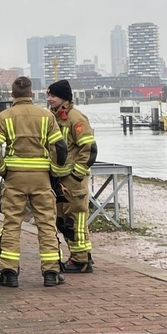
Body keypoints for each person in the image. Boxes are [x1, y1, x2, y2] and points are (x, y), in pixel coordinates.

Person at [0, 77, 68, 287]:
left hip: (15, 177)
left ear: (12, 95)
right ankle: (51, 273)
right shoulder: (46, 116)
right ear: (32, 94)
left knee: (12, 224)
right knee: (47, 223)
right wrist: (55, 172)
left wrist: (3, 171)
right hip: (41, 177)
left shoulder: (4, 117)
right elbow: (60, 148)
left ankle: (8, 272)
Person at [47, 79, 98, 273]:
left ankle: (81, 260)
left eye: (53, 96)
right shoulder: (55, 118)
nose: (50, 99)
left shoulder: (75, 118)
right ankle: (80, 256)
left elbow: (89, 149)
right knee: (63, 220)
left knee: (75, 221)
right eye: (49, 96)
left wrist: (77, 174)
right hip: (60, 179)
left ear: (64, 98)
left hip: (73, 179)